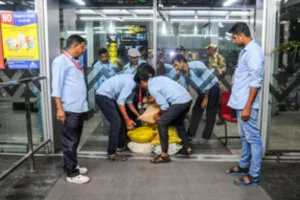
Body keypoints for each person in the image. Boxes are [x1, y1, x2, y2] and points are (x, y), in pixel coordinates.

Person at [225, 22, 264, 187]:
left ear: (242, 35)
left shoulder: (253, 52)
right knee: (245, 136)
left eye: (234, 37)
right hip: (241, 102)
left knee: (253, 138)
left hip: (246, 104)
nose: (234, 40)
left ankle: (254, 176)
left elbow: (256, 82)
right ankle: (243, 166)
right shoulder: (245, 51)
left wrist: (248, 106)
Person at [51, 35, 89, 184]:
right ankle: (72, 174)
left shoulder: (74, 61)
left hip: (78, 107)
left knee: (75, 139)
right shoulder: (60, 61)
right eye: (82, 47)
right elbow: (56, 87)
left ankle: (72, 166)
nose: (83, 50)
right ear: (74, 46)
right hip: (69, 108)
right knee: (69, 141)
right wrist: (60, 109)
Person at [134, 68, 192, 164]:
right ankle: (187, 147)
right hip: (187, 100)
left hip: (179, 103)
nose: (141, 87)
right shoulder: (159, 78)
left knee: (161, 124)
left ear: (142, 82)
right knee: (179, 123)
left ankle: (164, 155)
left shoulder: (152, 87)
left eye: (140, 85)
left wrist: (158, 114)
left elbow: (164, 106)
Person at [172, 55, 220, 144]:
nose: (176, 67)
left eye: (176, 64)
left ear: (182, 61)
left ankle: (206, 137)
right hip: (202, 91)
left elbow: (209, 81)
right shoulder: (183, 75)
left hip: (212, 87)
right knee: (196, 110)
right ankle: (190, 134)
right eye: (174, 66)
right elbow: (183, 89)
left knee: (210, 112)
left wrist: (206, 99)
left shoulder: (197, 65)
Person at [95, 74, 140, 161]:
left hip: (109, 97)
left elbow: (129, 101)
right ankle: (111, 153)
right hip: (103, 96)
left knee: (121, 121)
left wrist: (139, 116)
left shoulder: (134, 84)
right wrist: (128, 119)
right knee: (116, 123)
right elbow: (120, 101)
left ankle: (120, 146)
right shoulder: (131, 84)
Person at [206, 43, 227, 125]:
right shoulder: (210, 58)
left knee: (218, 103)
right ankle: (210, 118)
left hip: (218, 84)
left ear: (212, 49)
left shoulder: (219, 57)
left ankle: (222, 119)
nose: (208, 50)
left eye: (209, 48)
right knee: (211, 101)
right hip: (211, 82)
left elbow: (224, 70)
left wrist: (217, 72)